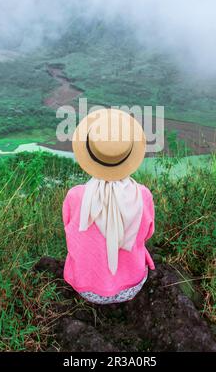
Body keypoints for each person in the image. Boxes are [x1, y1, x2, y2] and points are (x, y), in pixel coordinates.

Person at [62, 108, 155, 304]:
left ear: (89, 152)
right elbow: (147, 234)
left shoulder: (75, 196)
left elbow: (70, 233)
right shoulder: (143, 195)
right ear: (129, 153)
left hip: (86, 289)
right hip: (132, 286)